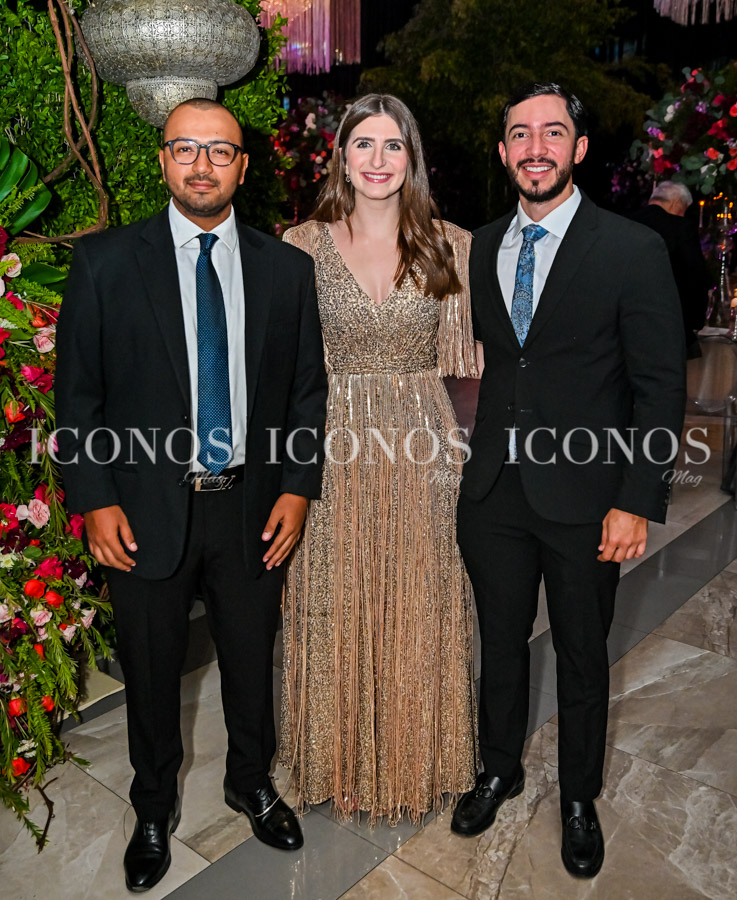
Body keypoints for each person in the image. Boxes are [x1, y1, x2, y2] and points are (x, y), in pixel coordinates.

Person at [55, 99, 327, 892]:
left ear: (243, 166)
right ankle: (152, 805)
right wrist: (94, 499)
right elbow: (78, 398)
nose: (202, 165)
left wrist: (298, 489)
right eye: (185, 149)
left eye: (219, 151)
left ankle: (250, 782)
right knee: (149, 669)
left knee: (249, 659)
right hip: (141, 510)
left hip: (251, 508)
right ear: (162, 161)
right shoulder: (105, 262)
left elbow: (305, 392)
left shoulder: (286, 270)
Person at [451, 83, 685, 878]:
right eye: (519, 134)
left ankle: (578, 797)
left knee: (583, 654)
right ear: (502, 152)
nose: (535, 148)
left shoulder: (630, 248)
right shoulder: (483, 245)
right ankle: (498, 770)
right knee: (499, 643)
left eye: (552, 133)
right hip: (493, 491)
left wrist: (635, 499)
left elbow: (658, 386)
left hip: (587, 499)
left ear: (578, 149)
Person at [279, 94, 479, 824]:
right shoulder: (299, 245)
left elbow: (476, 357)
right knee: (332, 600)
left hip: (422, 446)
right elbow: (283, 362)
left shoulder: (451, 244)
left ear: (411, 158)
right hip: (330, 443)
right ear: (341, 155)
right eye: (363, 143)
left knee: (419, 599)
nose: (377, 159)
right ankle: (338, 761)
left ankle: (415, 759)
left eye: (393, 145)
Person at [633, 180, 709, 358]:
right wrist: (696, 321)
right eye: (683, 210)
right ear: (676, 203)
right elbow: (695, 275)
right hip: (667, 325)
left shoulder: (623, 221)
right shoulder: (680, 227)